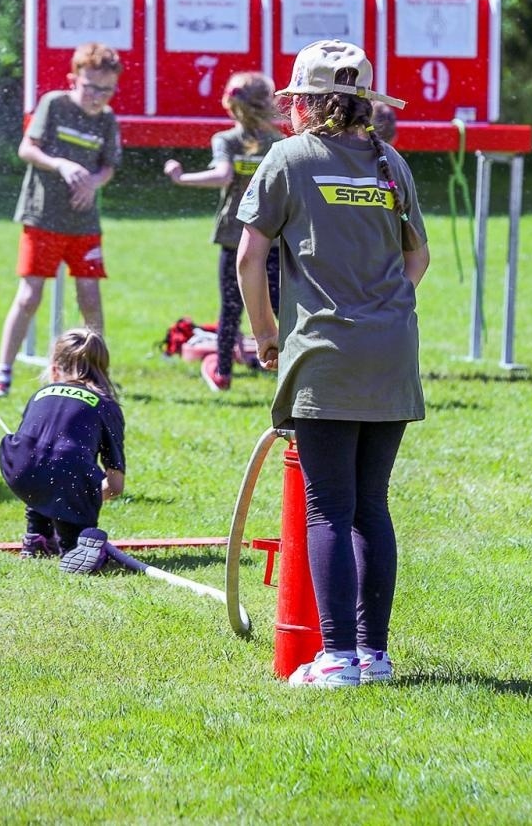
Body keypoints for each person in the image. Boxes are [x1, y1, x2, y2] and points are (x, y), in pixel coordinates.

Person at [236, 39, 430, 688]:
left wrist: (265, 335)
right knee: (371, 505)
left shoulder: (289, 158)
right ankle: (374, 657)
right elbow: (418, 257)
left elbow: (248, 258)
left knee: (327, 509)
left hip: (324, 353)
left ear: (306, 103)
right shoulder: (390, 162)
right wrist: (385, 310)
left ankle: (338, 659)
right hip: (392, 351)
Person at [0, 42, 124, 400]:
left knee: (90, 296)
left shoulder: (107, 119)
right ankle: (3, 372)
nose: (97, 97)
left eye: (106, 90)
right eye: (90, 87)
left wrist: (93, 182)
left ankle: (97, 375)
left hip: (84, 222)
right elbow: (27, 149)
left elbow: (108, 167)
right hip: (43, 215)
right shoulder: (54, 104)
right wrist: (61, 164)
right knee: (29, 295)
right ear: (73, 79)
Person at [163, 71, 285, 392]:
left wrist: (180, 178)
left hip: (235, 237)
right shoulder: (281, 144)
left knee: (231, 307)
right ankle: (296, 364)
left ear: (230, 105)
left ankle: (223, 373)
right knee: (280, 305)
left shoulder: (226, 140)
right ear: (269, 104)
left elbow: (222, 175)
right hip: (273, 237)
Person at [0, 328, 125, 558]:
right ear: (103, 370)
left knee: (46, 468)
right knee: (64, 474)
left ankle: (37, 537)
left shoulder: (41, 393)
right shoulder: (106, 405)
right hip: (67, 473)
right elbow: (115, 485)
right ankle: (74, 548)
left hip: (18, 467)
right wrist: (84, 497)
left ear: (55, 369)